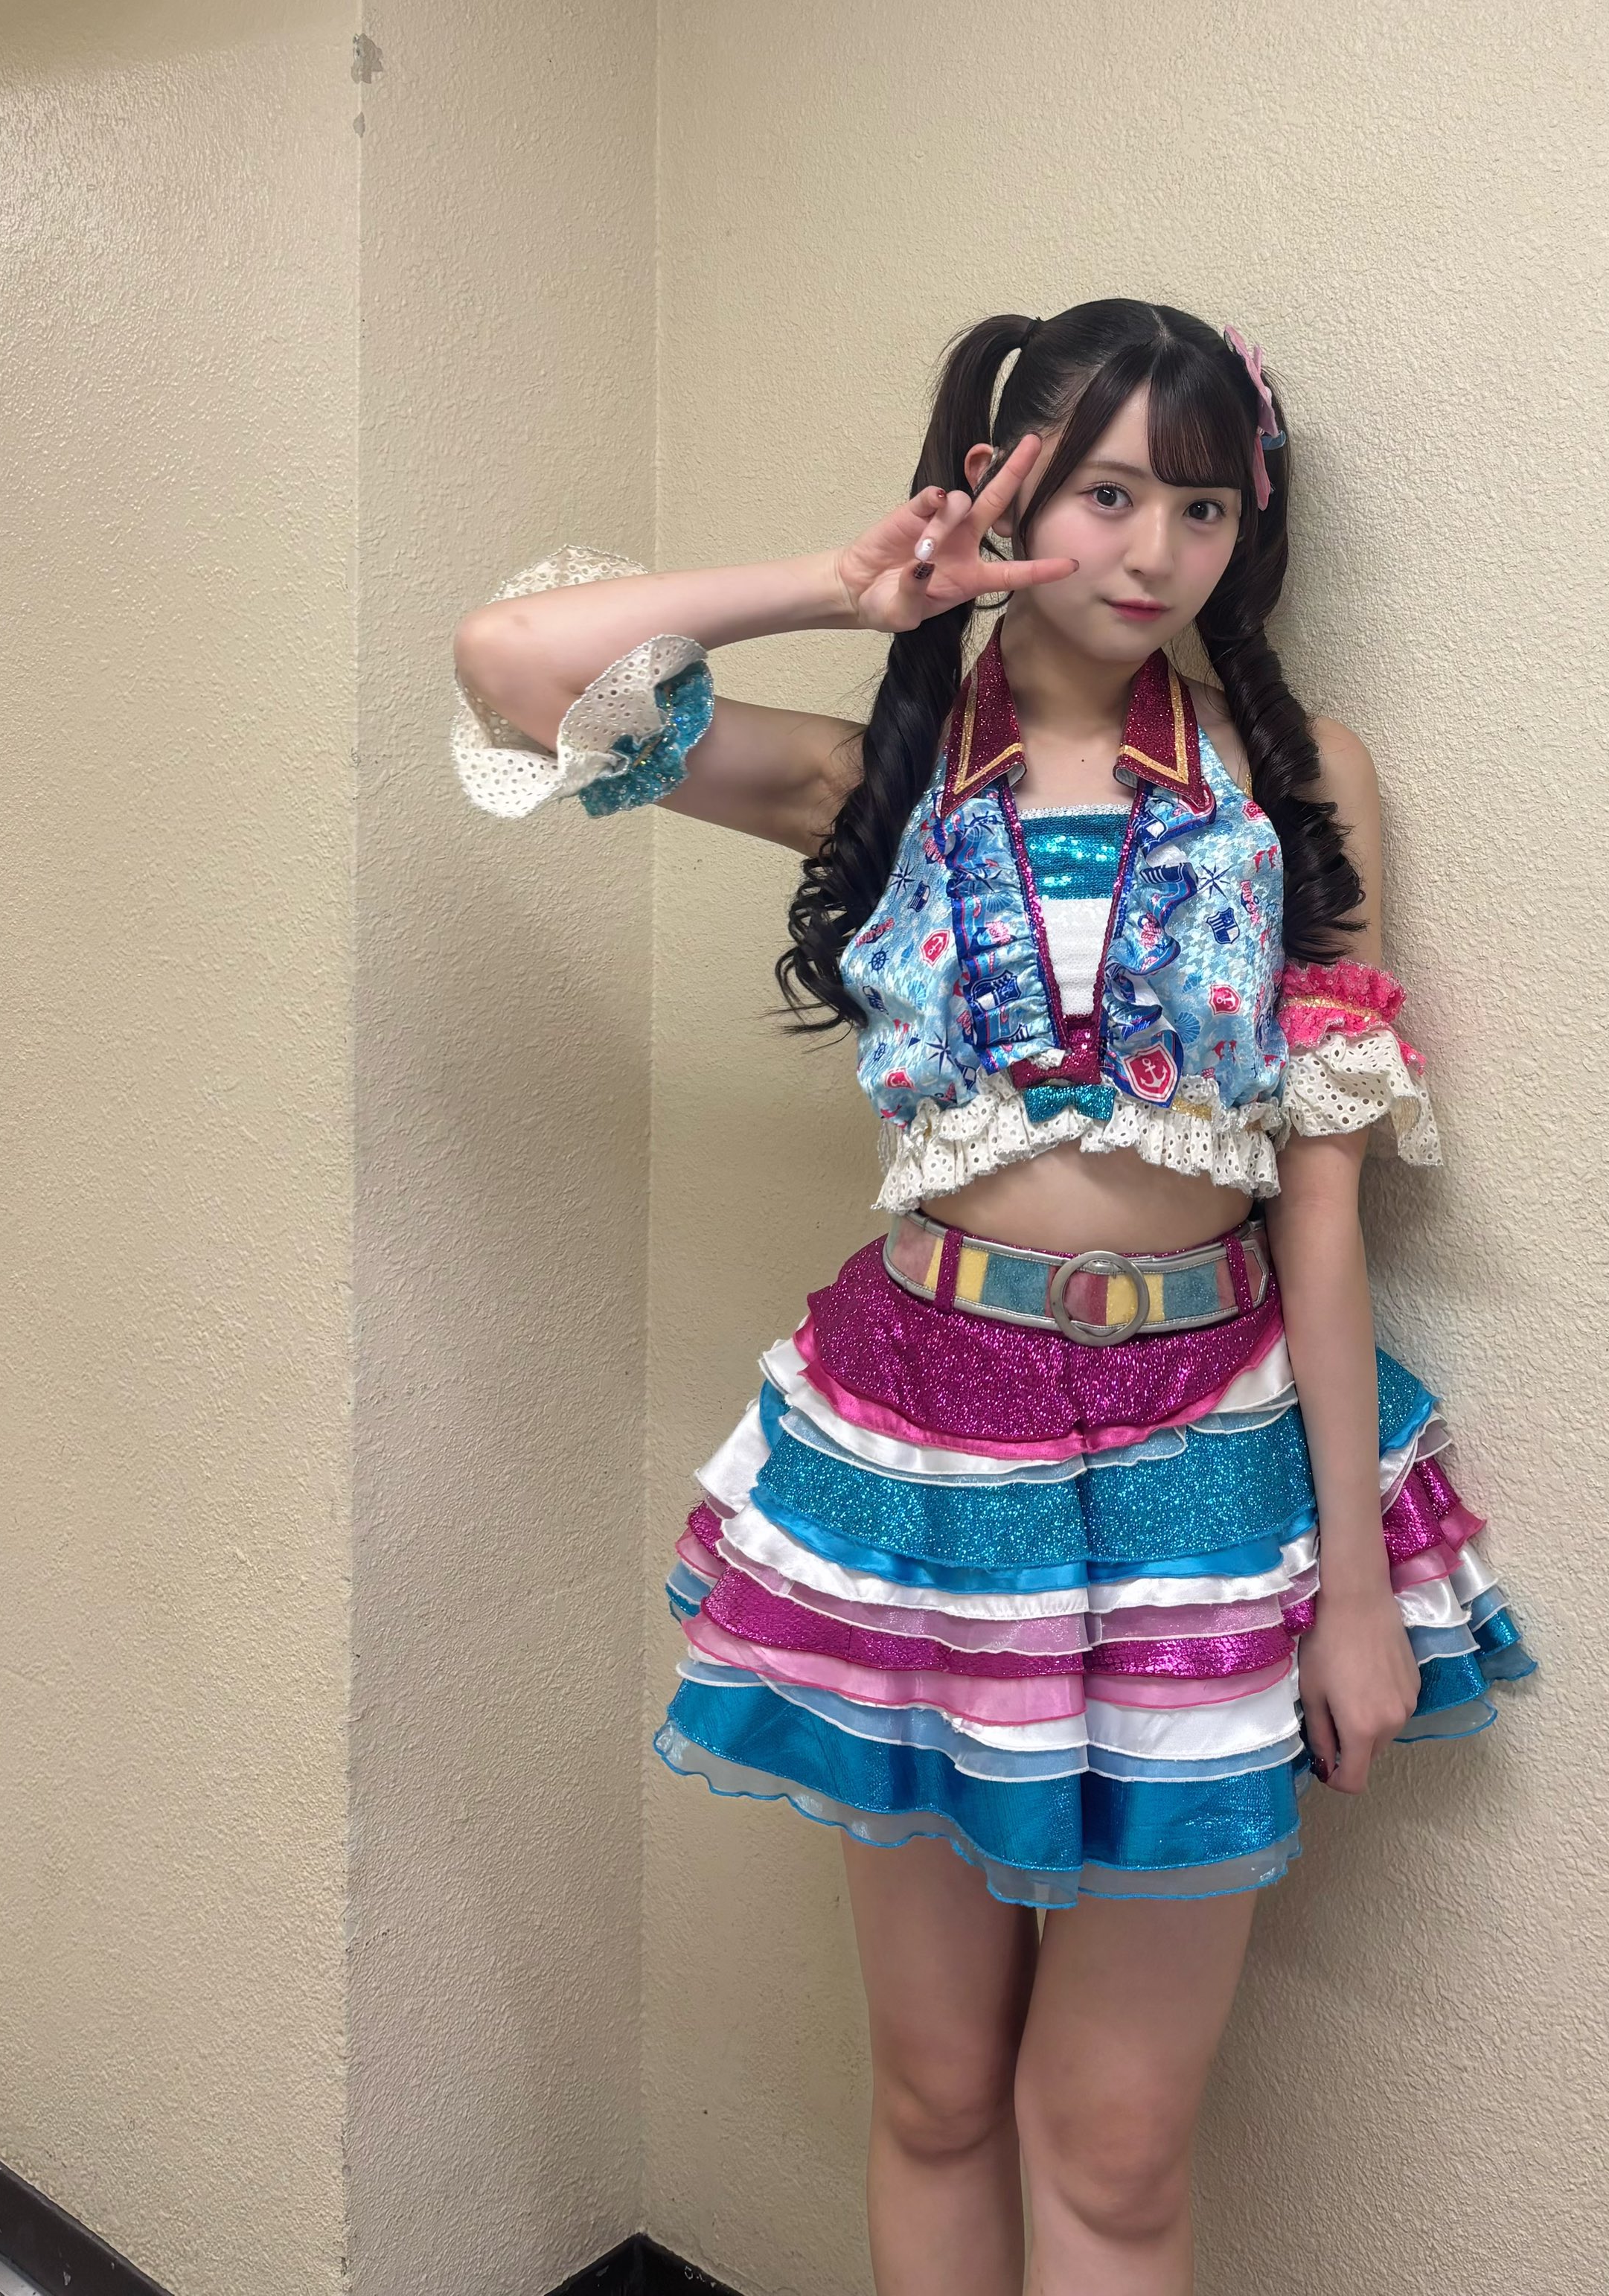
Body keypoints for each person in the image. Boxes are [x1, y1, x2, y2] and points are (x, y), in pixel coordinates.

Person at [450, 298, 1533, 2296]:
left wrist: (1357, 1596)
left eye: (1202, 507)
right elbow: (516, 672)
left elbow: (1323, 1205)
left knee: (1113, 2151)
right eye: (1107, 494)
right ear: (1002, 487)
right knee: (939, 2093)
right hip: (923, 1461)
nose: (1154, 552)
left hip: (1209, 1468)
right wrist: (841, 586)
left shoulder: (1301, 784)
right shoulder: (876, 778)